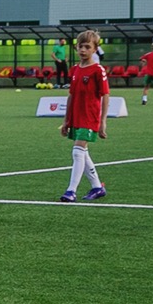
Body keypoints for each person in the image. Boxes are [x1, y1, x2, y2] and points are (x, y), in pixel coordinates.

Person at [61, 29, 110, 203]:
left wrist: (102, 121)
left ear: (95, 49)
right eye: (80, 46)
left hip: (90, 117)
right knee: (83, 153)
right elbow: (71, 95)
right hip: (76, 116)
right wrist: (66, 120)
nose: (83, 50)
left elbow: (105, 95)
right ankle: (97, 187)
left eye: (87, 47)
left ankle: (70, 191)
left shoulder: (98, 70)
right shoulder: (74, 70)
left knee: (77, 151)